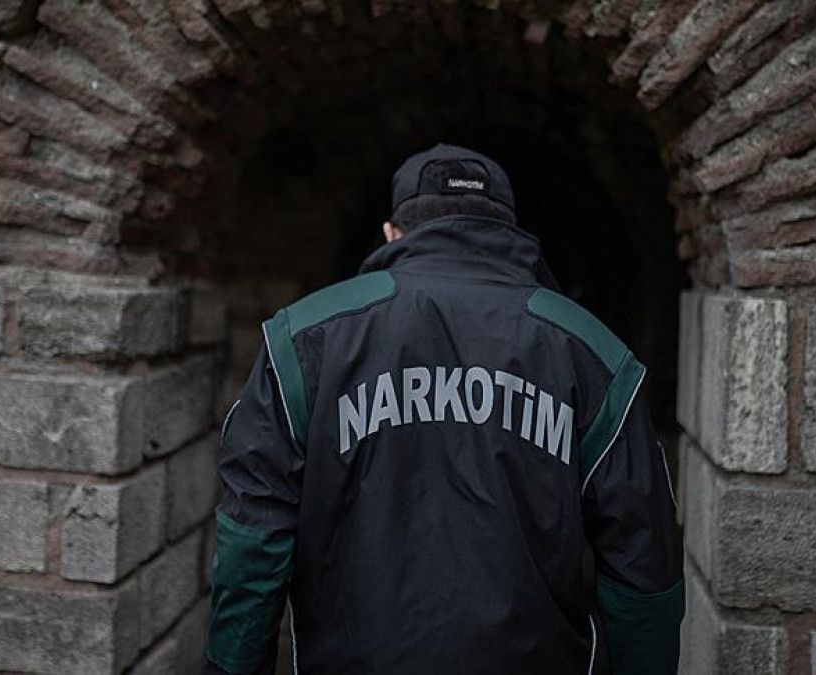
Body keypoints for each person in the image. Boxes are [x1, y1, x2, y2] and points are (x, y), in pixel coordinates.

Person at [205, 143, 684, 675]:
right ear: (507, 232)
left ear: (392, 233)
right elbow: (644, 566)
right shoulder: (595, 355)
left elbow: (252, 545)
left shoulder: (302, 340)